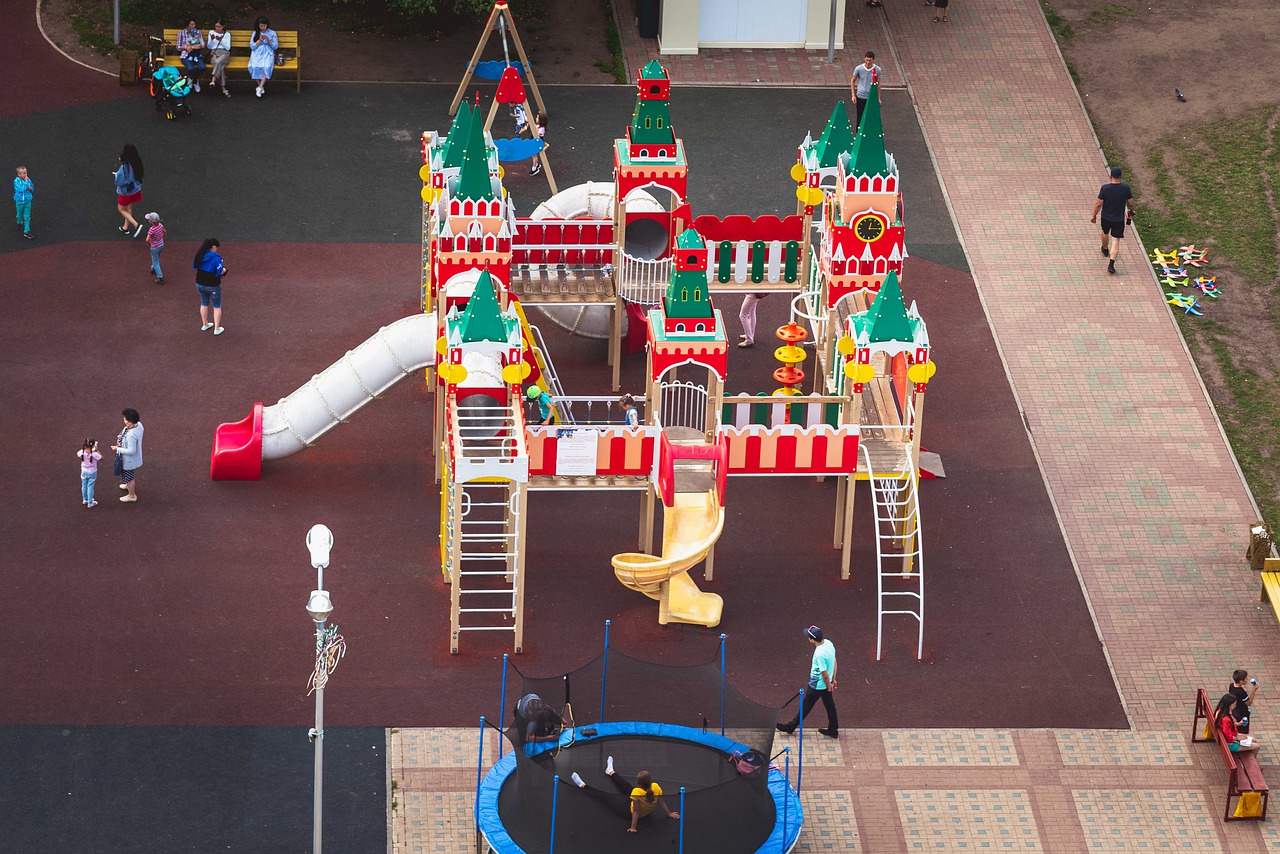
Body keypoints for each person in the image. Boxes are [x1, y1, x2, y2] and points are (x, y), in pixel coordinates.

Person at [569, 757, 680, 833]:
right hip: (637, 802)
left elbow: (635, 812)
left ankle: (583, 785)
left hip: (627, 811)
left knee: (606, 797)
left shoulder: (637, 792)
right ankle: (610, 771)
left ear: (639, 784)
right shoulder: (655, 786)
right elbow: (661, 802)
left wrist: (633, 828)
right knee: (625, 785)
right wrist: (669, 813)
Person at [777, 625, 839, 738]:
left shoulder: (819, 654)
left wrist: (828, 683)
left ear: (812, 640)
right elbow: (834, 660)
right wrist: (833, 679)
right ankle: (833, 729)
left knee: (806, 706)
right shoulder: (829, 644)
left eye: (809, 637)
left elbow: (824, 673)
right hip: (826, 683)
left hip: (818, 685)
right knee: (830, 705)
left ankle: (790, 727)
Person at [1090, 166, 1134, 275]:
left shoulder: (1105, 188)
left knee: (1105, 232)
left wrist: (1094, 216)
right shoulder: (1125, 188)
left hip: (1106, 217)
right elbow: (1131, 202)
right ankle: (1111, 264)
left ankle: (1105, 249)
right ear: (1121, 176)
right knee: (1116, 240)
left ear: (1110, 176)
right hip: (1118, 219)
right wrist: (1131, 210)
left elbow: (1099, 204)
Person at [193, 238, 228, 334]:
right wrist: (224, 270)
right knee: (216, 306)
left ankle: (205, 324)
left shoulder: (199, 256)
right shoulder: (216, 259)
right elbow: (220, 271)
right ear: (213, 246)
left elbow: (195, 267)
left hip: (200, 283)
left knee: (204, 303)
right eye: (216, 247)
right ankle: (217, 328)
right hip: (213, 285)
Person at [112, 409, 144, 503]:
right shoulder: (138, 425)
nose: (124, 421)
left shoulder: (131, 435)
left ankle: (132, 495)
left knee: (129, 477)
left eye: (126, 420)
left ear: (131, 422)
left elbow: (131, 451)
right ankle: (128, 485)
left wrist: (117, 449)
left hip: (129, 460)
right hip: (131, 459)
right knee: (128, 476)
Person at [114, 144, 144, 237]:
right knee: (128, 208)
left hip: (126, 193)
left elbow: (118, 181)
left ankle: (136, 225)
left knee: (121, 209)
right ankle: (125, 228)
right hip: (135, 190)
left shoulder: (124, 168)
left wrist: (116, 175)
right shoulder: (137, 163)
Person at [248, 17, 279, 98]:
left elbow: (275, 47)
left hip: (268, 52)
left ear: (267, 25)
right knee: (253, 66)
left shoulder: (272, 33)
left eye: (264, 26)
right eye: (261, 26)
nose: (263, 27)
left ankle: (260, 87)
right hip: (257, 52)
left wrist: (268, 40)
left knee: (266, 66)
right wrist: (260, 40)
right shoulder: (255, 33)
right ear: (258, 25)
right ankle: (260, 86)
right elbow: (252, 46)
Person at [849, 52, 881, 128]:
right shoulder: (859, 69)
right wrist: (853, 95)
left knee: (871, 116)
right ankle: (858, 134)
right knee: (860, 116)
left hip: (871, 96)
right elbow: (852, 80)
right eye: (866, 60)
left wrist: (878, 98)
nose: (868, 62)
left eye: (870, 60)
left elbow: (878, 84)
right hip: (861, 96)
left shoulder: (877, 69)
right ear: (864, 58)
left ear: (873, 60)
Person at [175, 20, 206, 91]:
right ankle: (192, 79)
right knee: (190, 68)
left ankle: (193, 79)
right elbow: (178, 47)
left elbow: (203, 44)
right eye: (192, 24)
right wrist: (186, 47)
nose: (194, 26)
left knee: (202, 67)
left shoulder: (198, 32)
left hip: (197, 54)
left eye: (194, 24)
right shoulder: (181, 33)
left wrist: (197, 46)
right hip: (185, 54)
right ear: (187, 25)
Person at [1229, 670, 1261, 734]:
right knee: (1244, 730)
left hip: (1234, 710)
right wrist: (1253, 690)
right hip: (1242, 712)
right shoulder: (1241, 692)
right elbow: (1249, 703)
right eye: (1246, 678)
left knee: (1238, 728)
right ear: (1241, 681)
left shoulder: (1231, 686)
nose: (1247, 679)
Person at [206, 20, 233, 98]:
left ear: (223, 26)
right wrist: (211, 40)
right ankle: (223, 88)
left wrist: (220, 41)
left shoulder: (227, 34)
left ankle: (213, 80)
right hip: (214, 53)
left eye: (219, 27)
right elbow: (209, 47)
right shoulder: (211, 32)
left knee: (218, 62)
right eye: (216, 26)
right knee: (220, 67)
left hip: (224, 53)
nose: (217, 28)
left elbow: (228, 47)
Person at [77, 438, 102, 508]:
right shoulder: (94, 454)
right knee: (90, 487)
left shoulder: (81, 452)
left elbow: (79, 454)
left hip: (83, 471)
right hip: (92, 472)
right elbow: (102, 458)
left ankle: (85, 499)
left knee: (84, 485)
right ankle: (90, 502)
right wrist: (97, 450)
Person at [14, 165, 33, 241]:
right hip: (19, 202)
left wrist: (30, 188)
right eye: (23, 173)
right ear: (19, 174)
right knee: (19, 214)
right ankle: (19, 222)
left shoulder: (28, 180)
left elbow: (32, 189)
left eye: (26, 173)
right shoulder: (16, 181)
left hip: (27, 201)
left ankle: (26, 231)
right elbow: (21, 189)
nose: (25, 175)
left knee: (27, 216)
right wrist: (26, 183)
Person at [145, 212, 166, 283]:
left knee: (156, 262)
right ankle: (153, 268)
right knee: (156, 257)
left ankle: (160, 277)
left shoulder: (152, 229)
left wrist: (148, 244)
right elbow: (164, 231)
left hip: (154, 247)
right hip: (161, 245)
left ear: (151, 221)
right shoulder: (160, 225)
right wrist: (164, 235)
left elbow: (147, 239)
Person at [530, 111, 548, 176]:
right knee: (533, 155)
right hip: (534, 141)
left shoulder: (542, 129)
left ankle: (534, 168)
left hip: (537, 142)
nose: (536, 119)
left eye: (537, 118)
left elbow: (537, 135)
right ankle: (536, 165)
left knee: (534, 155)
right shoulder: (538, 125)